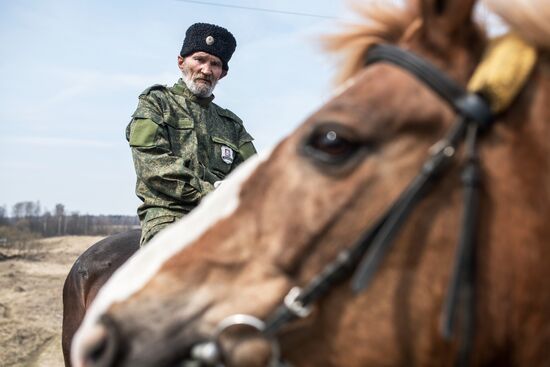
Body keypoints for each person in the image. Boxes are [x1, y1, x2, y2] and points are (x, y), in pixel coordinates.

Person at [126, 23, 256, 246]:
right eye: (200, 59)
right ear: (181, 62)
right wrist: (212, 194)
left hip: (223, 220)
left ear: (222, 74)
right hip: (169, 216)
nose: (206, 70)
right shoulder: (156, 103)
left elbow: (255, 173)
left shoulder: (232, 125)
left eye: (215, 64)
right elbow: (153, 167)